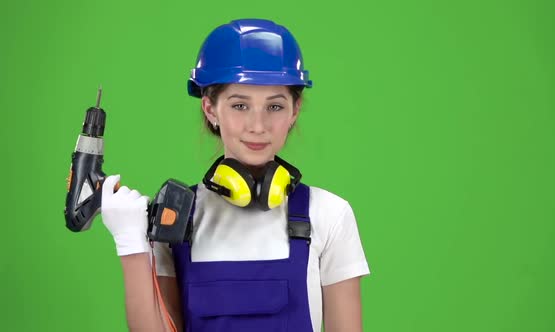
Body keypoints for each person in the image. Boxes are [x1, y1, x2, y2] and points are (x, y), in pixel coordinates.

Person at [100, 18, 370, 332]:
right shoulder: (175, 217)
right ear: (210, 109)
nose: (258, 125)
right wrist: (131, 243)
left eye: (275, 107)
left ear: (294, 111)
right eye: (240, 105)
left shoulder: (328, 214)